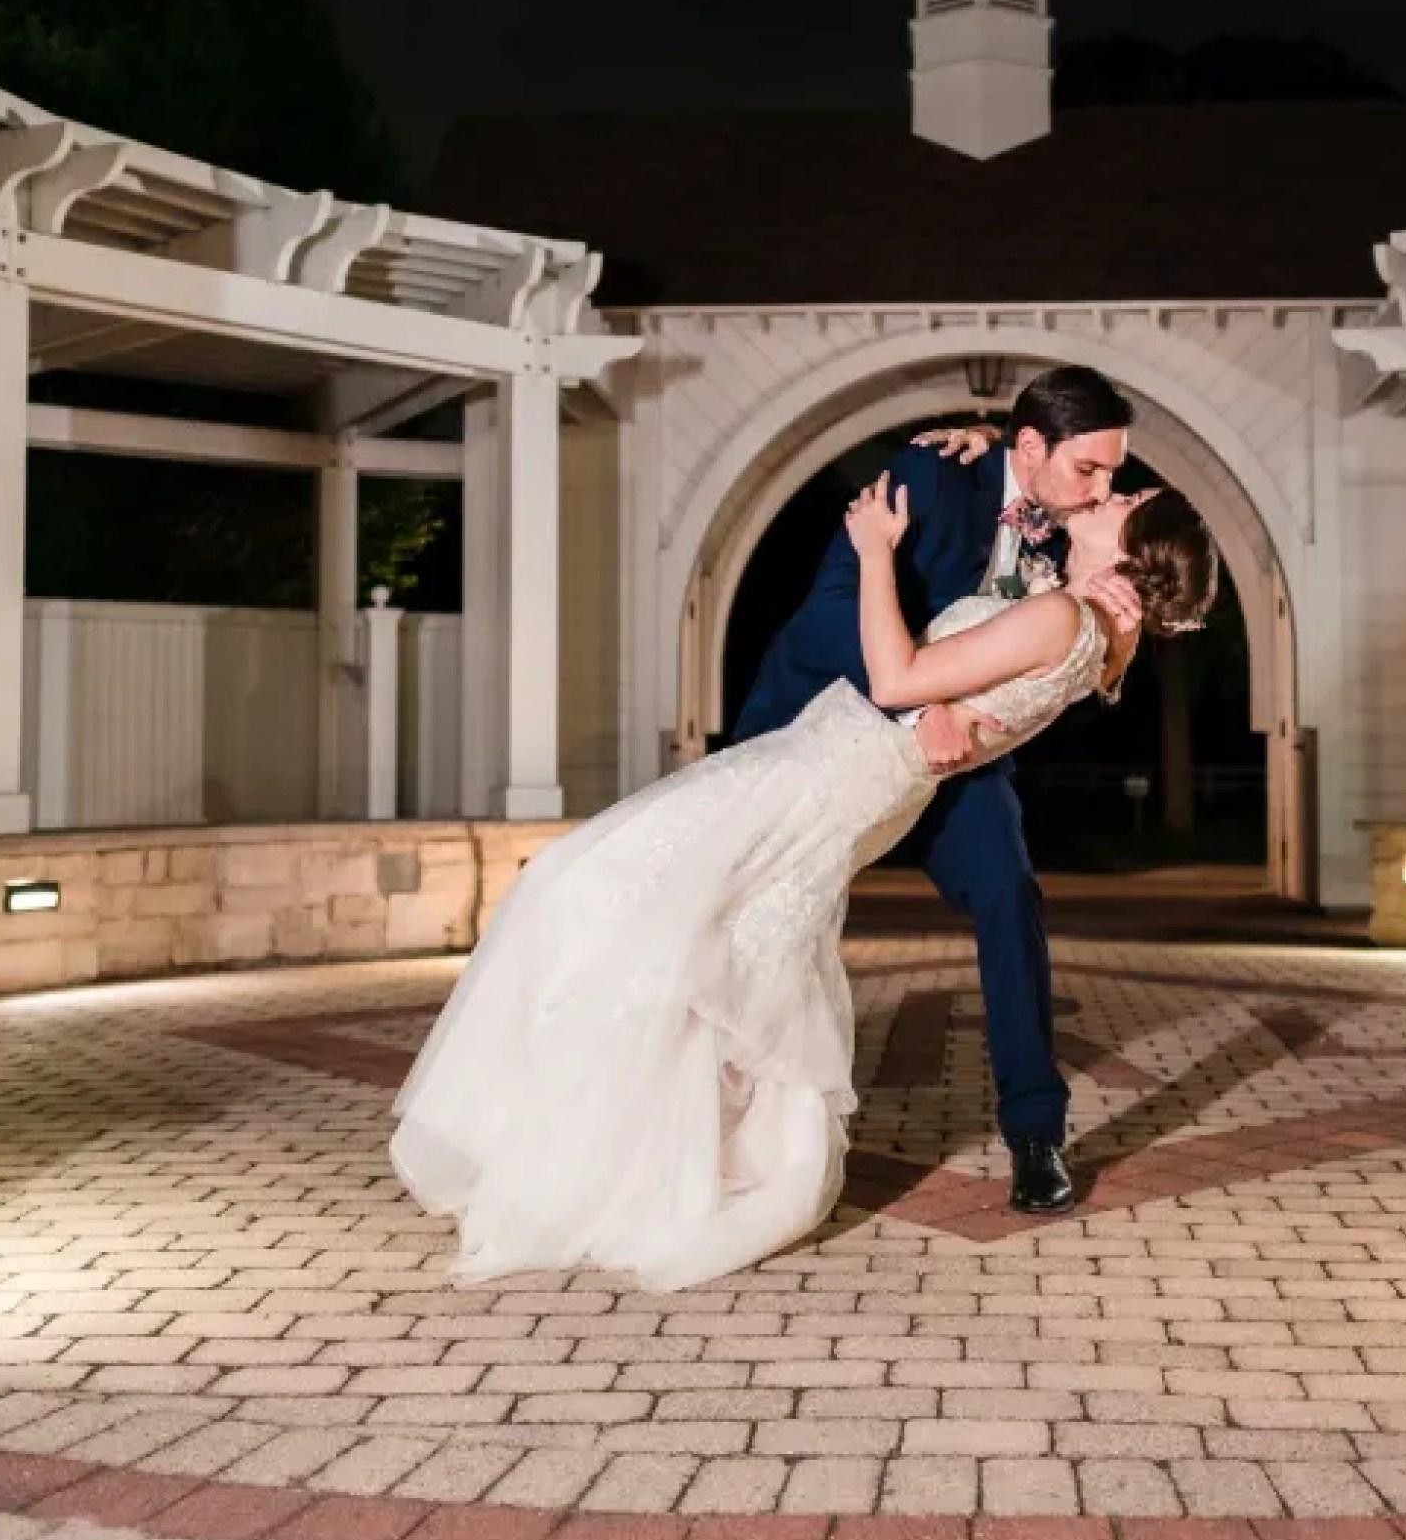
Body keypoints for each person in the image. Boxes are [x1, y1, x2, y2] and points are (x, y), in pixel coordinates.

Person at [390, 467, 1218, 1293]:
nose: (1108, 496)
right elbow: (1010, 668)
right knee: (712, 949)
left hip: (833, 768)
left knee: (581, 880)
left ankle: (564, 1155)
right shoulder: (1105, 638)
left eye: (1127, 503)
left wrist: (874, 554)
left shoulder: (1060, 615)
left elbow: (895, 679)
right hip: (863, 776)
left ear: (1133, 555)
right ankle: (647, 1157)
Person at [736, 367, 1141, 1216]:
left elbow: (1077, 657)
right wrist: (921, 707)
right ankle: (732, 1112)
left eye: (1112, 473)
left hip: (956, 765)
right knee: (760, 913)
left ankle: (1036, 1135)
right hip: (827, 729)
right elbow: (836, 601)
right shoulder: (928, 474)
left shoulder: (1065, 527)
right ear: (1030, 448)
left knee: (1009, 894)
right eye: (1091, 470)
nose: (1104, 489)